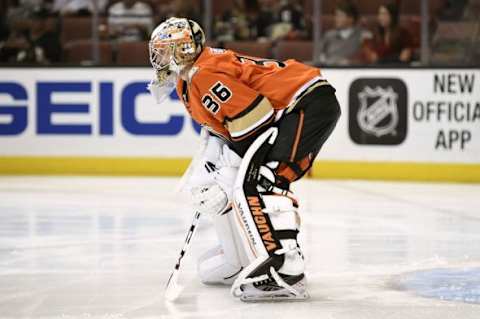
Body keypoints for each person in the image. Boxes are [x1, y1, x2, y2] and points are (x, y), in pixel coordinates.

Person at [147, 17, 340, 302]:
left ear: (185, 49)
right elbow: (223, 129)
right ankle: (238, 259)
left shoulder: (203, 73)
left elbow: (255, 118)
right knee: (239, 180)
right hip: (296, 107)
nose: (158, 58)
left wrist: (228, 173)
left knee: (262, 179)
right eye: (157, 51)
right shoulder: (187, 82)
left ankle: (287, 268)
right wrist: (212, 170)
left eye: (165, 50)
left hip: (306, 103)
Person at [320, 1, 372, 65]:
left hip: (354, 71)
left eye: (340, 15)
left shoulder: (364, 35)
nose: (336, 18)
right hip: (330, 70)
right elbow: (321, 57)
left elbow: (367, 58)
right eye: (336, 15)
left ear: (351, 18)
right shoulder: (328, 35)